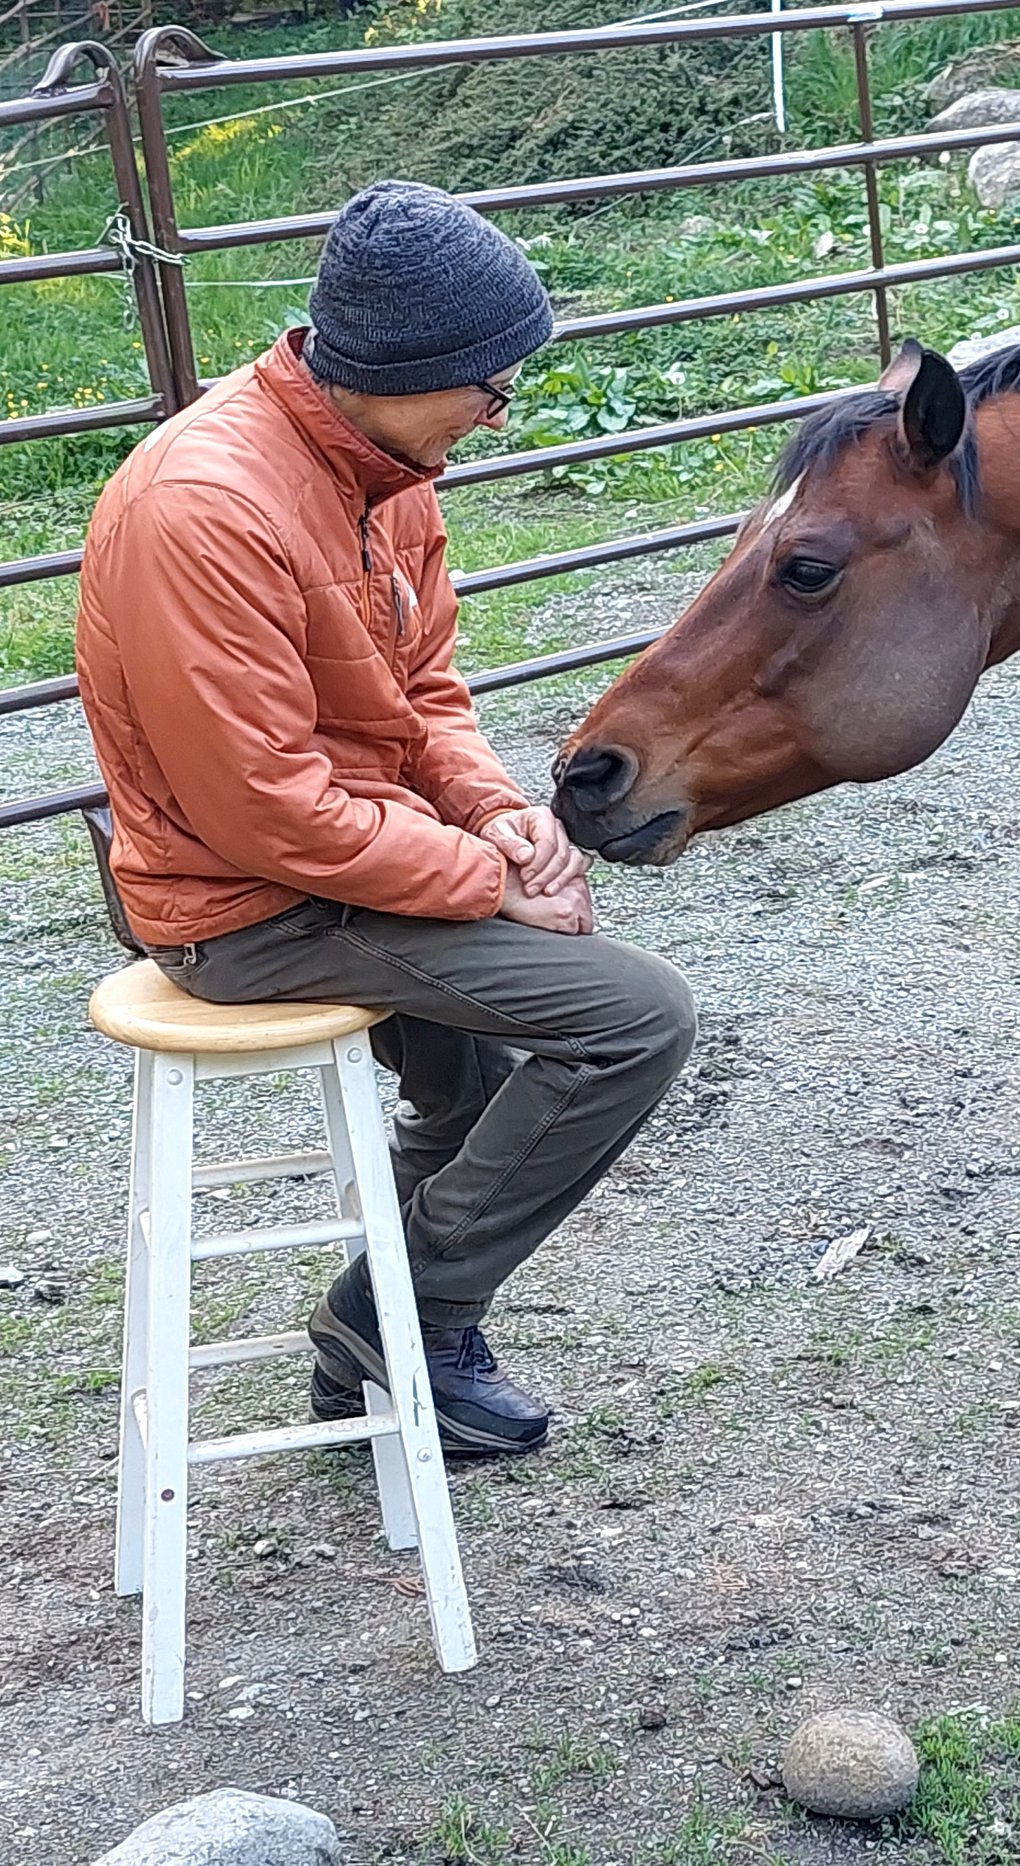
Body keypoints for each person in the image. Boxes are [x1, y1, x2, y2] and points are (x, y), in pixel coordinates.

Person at [75, 180, 695, 1458]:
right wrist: (483, 882)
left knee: (490, 1040)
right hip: (243, 906)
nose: (499, 412)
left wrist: (496, 813)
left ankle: (401, 1348)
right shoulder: (209, 507)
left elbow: (422, 687)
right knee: (637, 1018)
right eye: (489, 384)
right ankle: (403, 1316)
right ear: (406, 369)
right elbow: (261, 813)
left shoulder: (383, 467)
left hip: (345, 862)